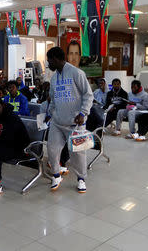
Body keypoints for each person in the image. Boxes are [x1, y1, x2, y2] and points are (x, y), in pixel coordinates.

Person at [46, 47, 93, 193]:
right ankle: (56, 175)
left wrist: (83, 113)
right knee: (52, 150)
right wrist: (50, 113)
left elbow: (88, 94)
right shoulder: (53, 78)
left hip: (75, 122)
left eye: (49, 60)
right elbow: (53, 100)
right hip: (57, 122)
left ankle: (81, 179)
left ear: (56, 59)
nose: (48, 64)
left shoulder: (76, 73)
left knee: (78, 154)